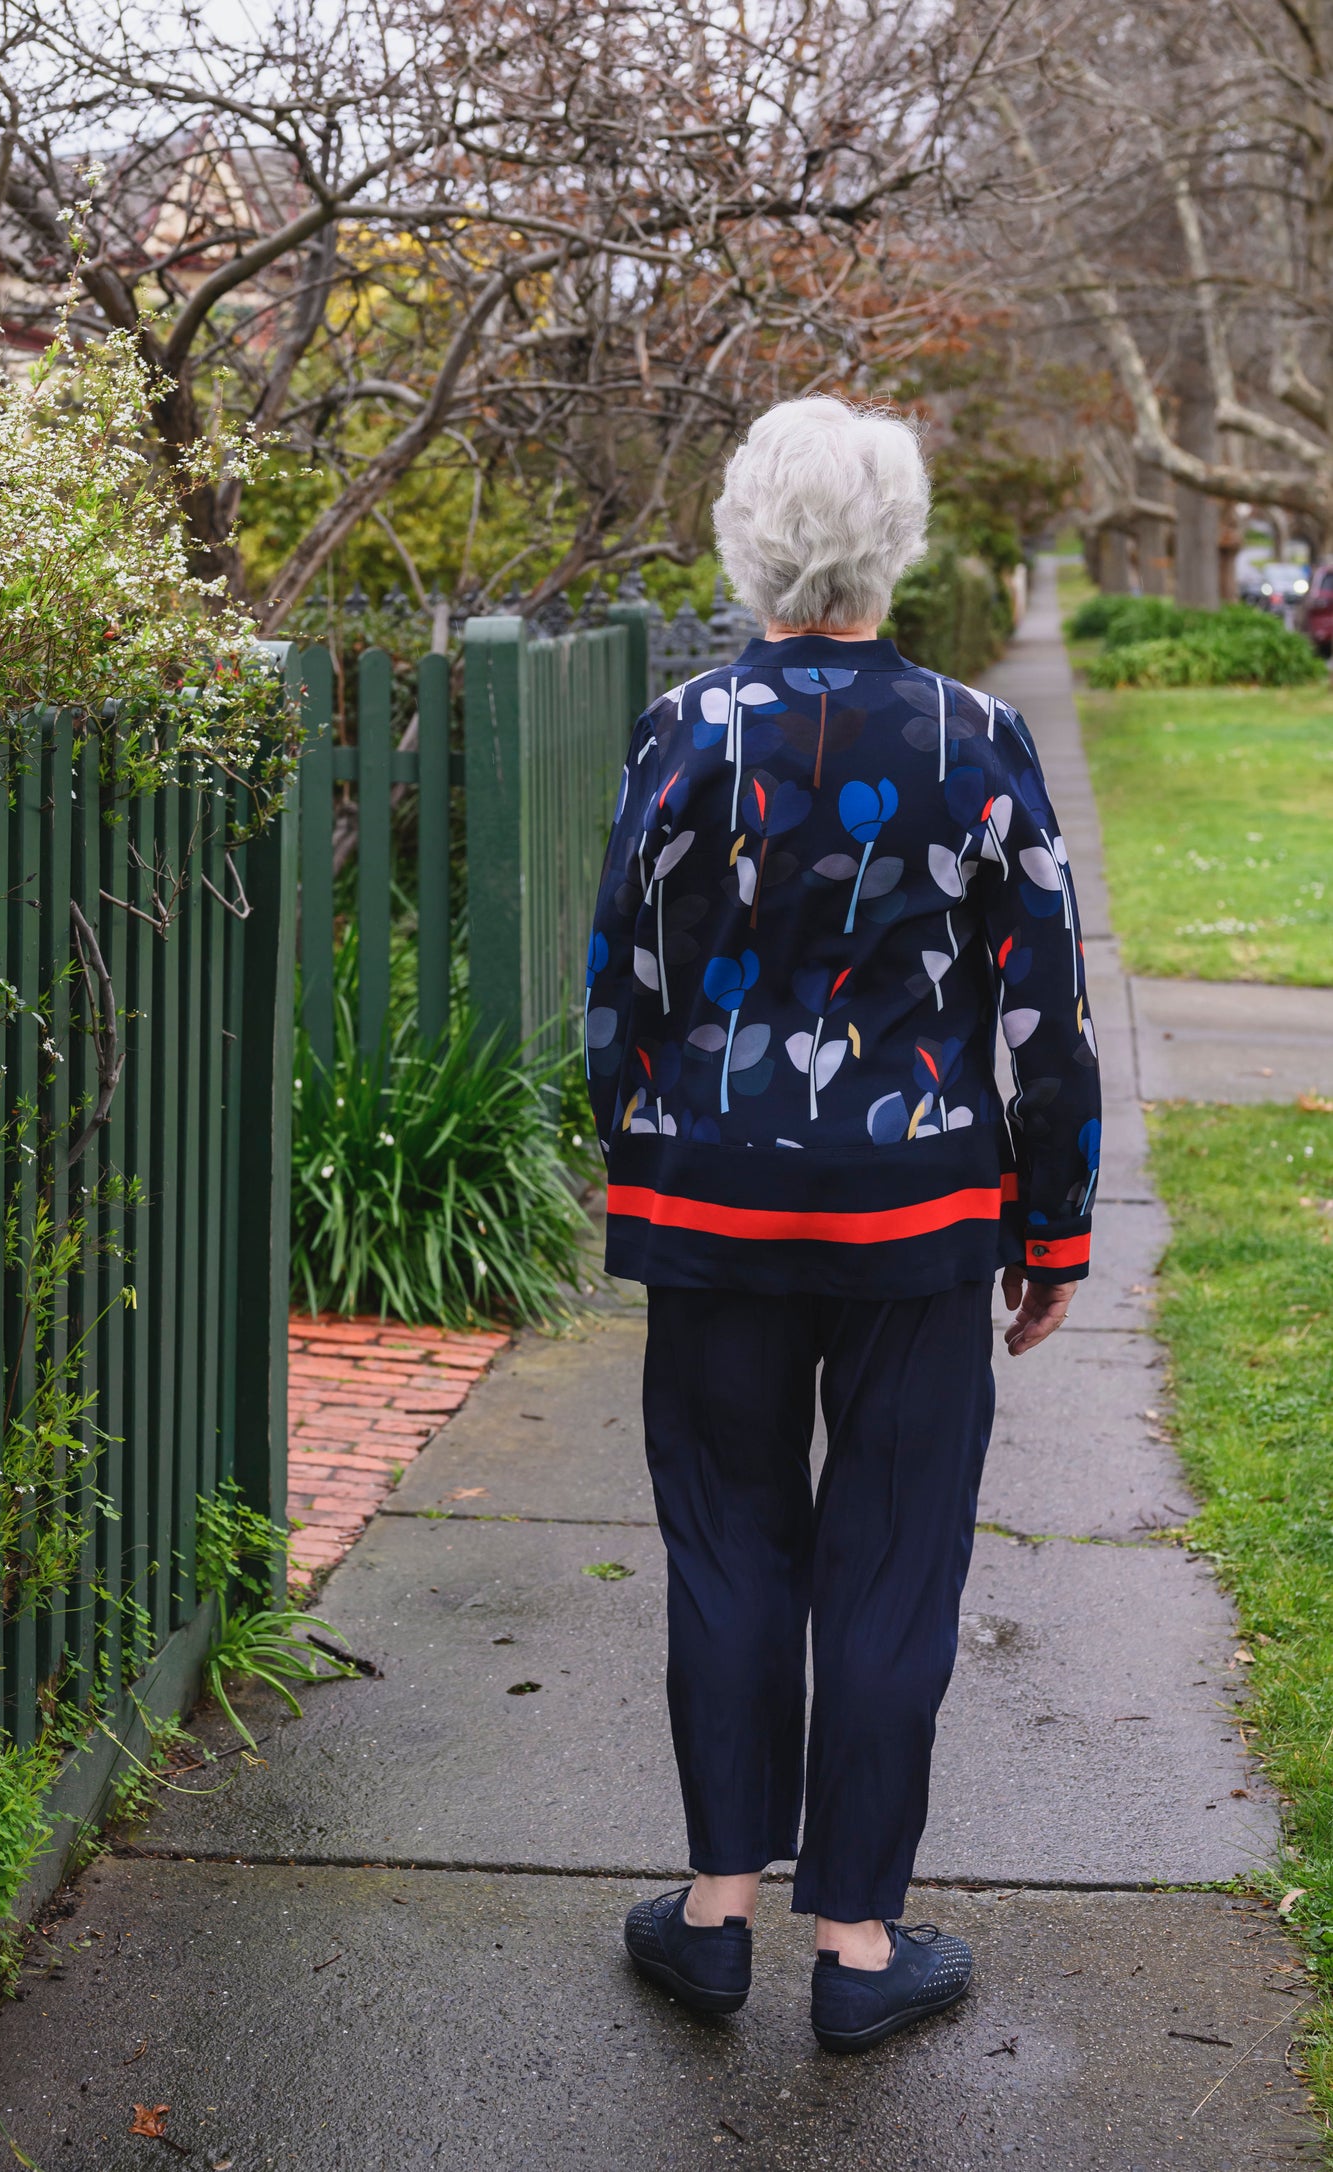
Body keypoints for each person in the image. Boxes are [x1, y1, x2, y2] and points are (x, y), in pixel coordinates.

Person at [584, 397, 1100, 2052]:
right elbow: (1040, 997)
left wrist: (639, 1153)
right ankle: (860, 1951)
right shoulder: (970, 738)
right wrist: (1056, 1223)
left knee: (730, 1539)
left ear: (750, 535)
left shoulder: (682, 729)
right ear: (896, 540)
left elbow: (620, 983)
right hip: (920, 1216)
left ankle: (718, 1916)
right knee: (888, 1563)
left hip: (715, 1204)